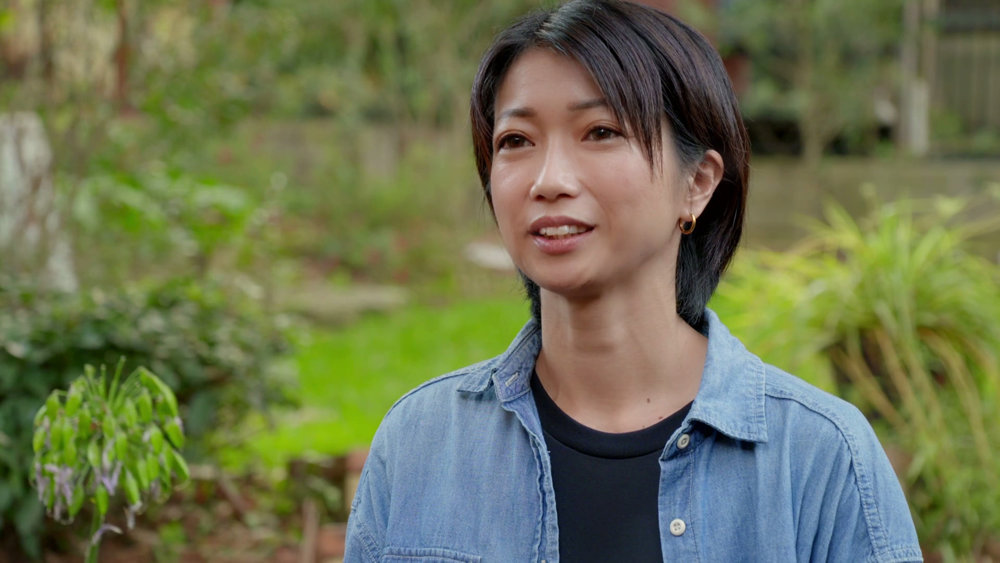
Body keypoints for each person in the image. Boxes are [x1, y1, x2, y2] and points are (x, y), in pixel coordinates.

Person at [345, 1, 923, 561]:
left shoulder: (820, 459)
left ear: (697, 182)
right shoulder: (421, 444)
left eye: (600, 131)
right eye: (516, 141)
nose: (548, 180)